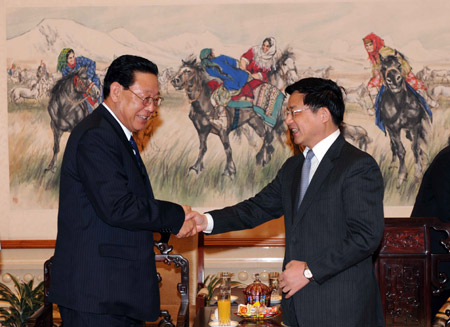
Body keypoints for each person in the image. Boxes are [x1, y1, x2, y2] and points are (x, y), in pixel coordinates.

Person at [187, 77, 385, 326]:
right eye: (288, 112)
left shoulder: (356, 166)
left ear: (323, 114)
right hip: (298, 308)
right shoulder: (294, 166)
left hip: (341, 308)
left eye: (294, 112)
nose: (288, 120)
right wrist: (205, 220)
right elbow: (256, 208)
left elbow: (366, 236)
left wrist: (307, 270)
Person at [48, 55, 197, 327]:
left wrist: (173, 220)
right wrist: (176, 216)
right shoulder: (97, 135)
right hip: (97, 294)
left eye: (156, 100)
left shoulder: (114, 135)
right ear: (116, 91)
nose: (151, 108)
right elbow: (118, 206)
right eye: (145, 98)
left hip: (113, 292)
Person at [411, 139, 450, 316]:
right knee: (418, 315)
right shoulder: (446, 159)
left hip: (441, 255)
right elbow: (447, 209)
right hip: (432, 255)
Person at [362, 33, 437, 116]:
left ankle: (427, 100)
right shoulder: (373, 55)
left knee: (414, 85)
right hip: (383, 75)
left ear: (376, 43)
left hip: (398, 71)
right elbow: (376, 69)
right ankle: (375, 106)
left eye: (370, 45)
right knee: (371, 86)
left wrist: (400, 71)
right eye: (367, 46)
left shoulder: (384, 51)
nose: (368, 47)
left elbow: (398, 60)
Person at [200, 48, 249, 128]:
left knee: (214, 98)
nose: (213, 53)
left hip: (231, 85)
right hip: (243, 76)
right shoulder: (221, 58)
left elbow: (215, 79)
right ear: (211, 55)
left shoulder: (207, 69)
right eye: (212, 52)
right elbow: (237, 63)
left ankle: (222, 120)